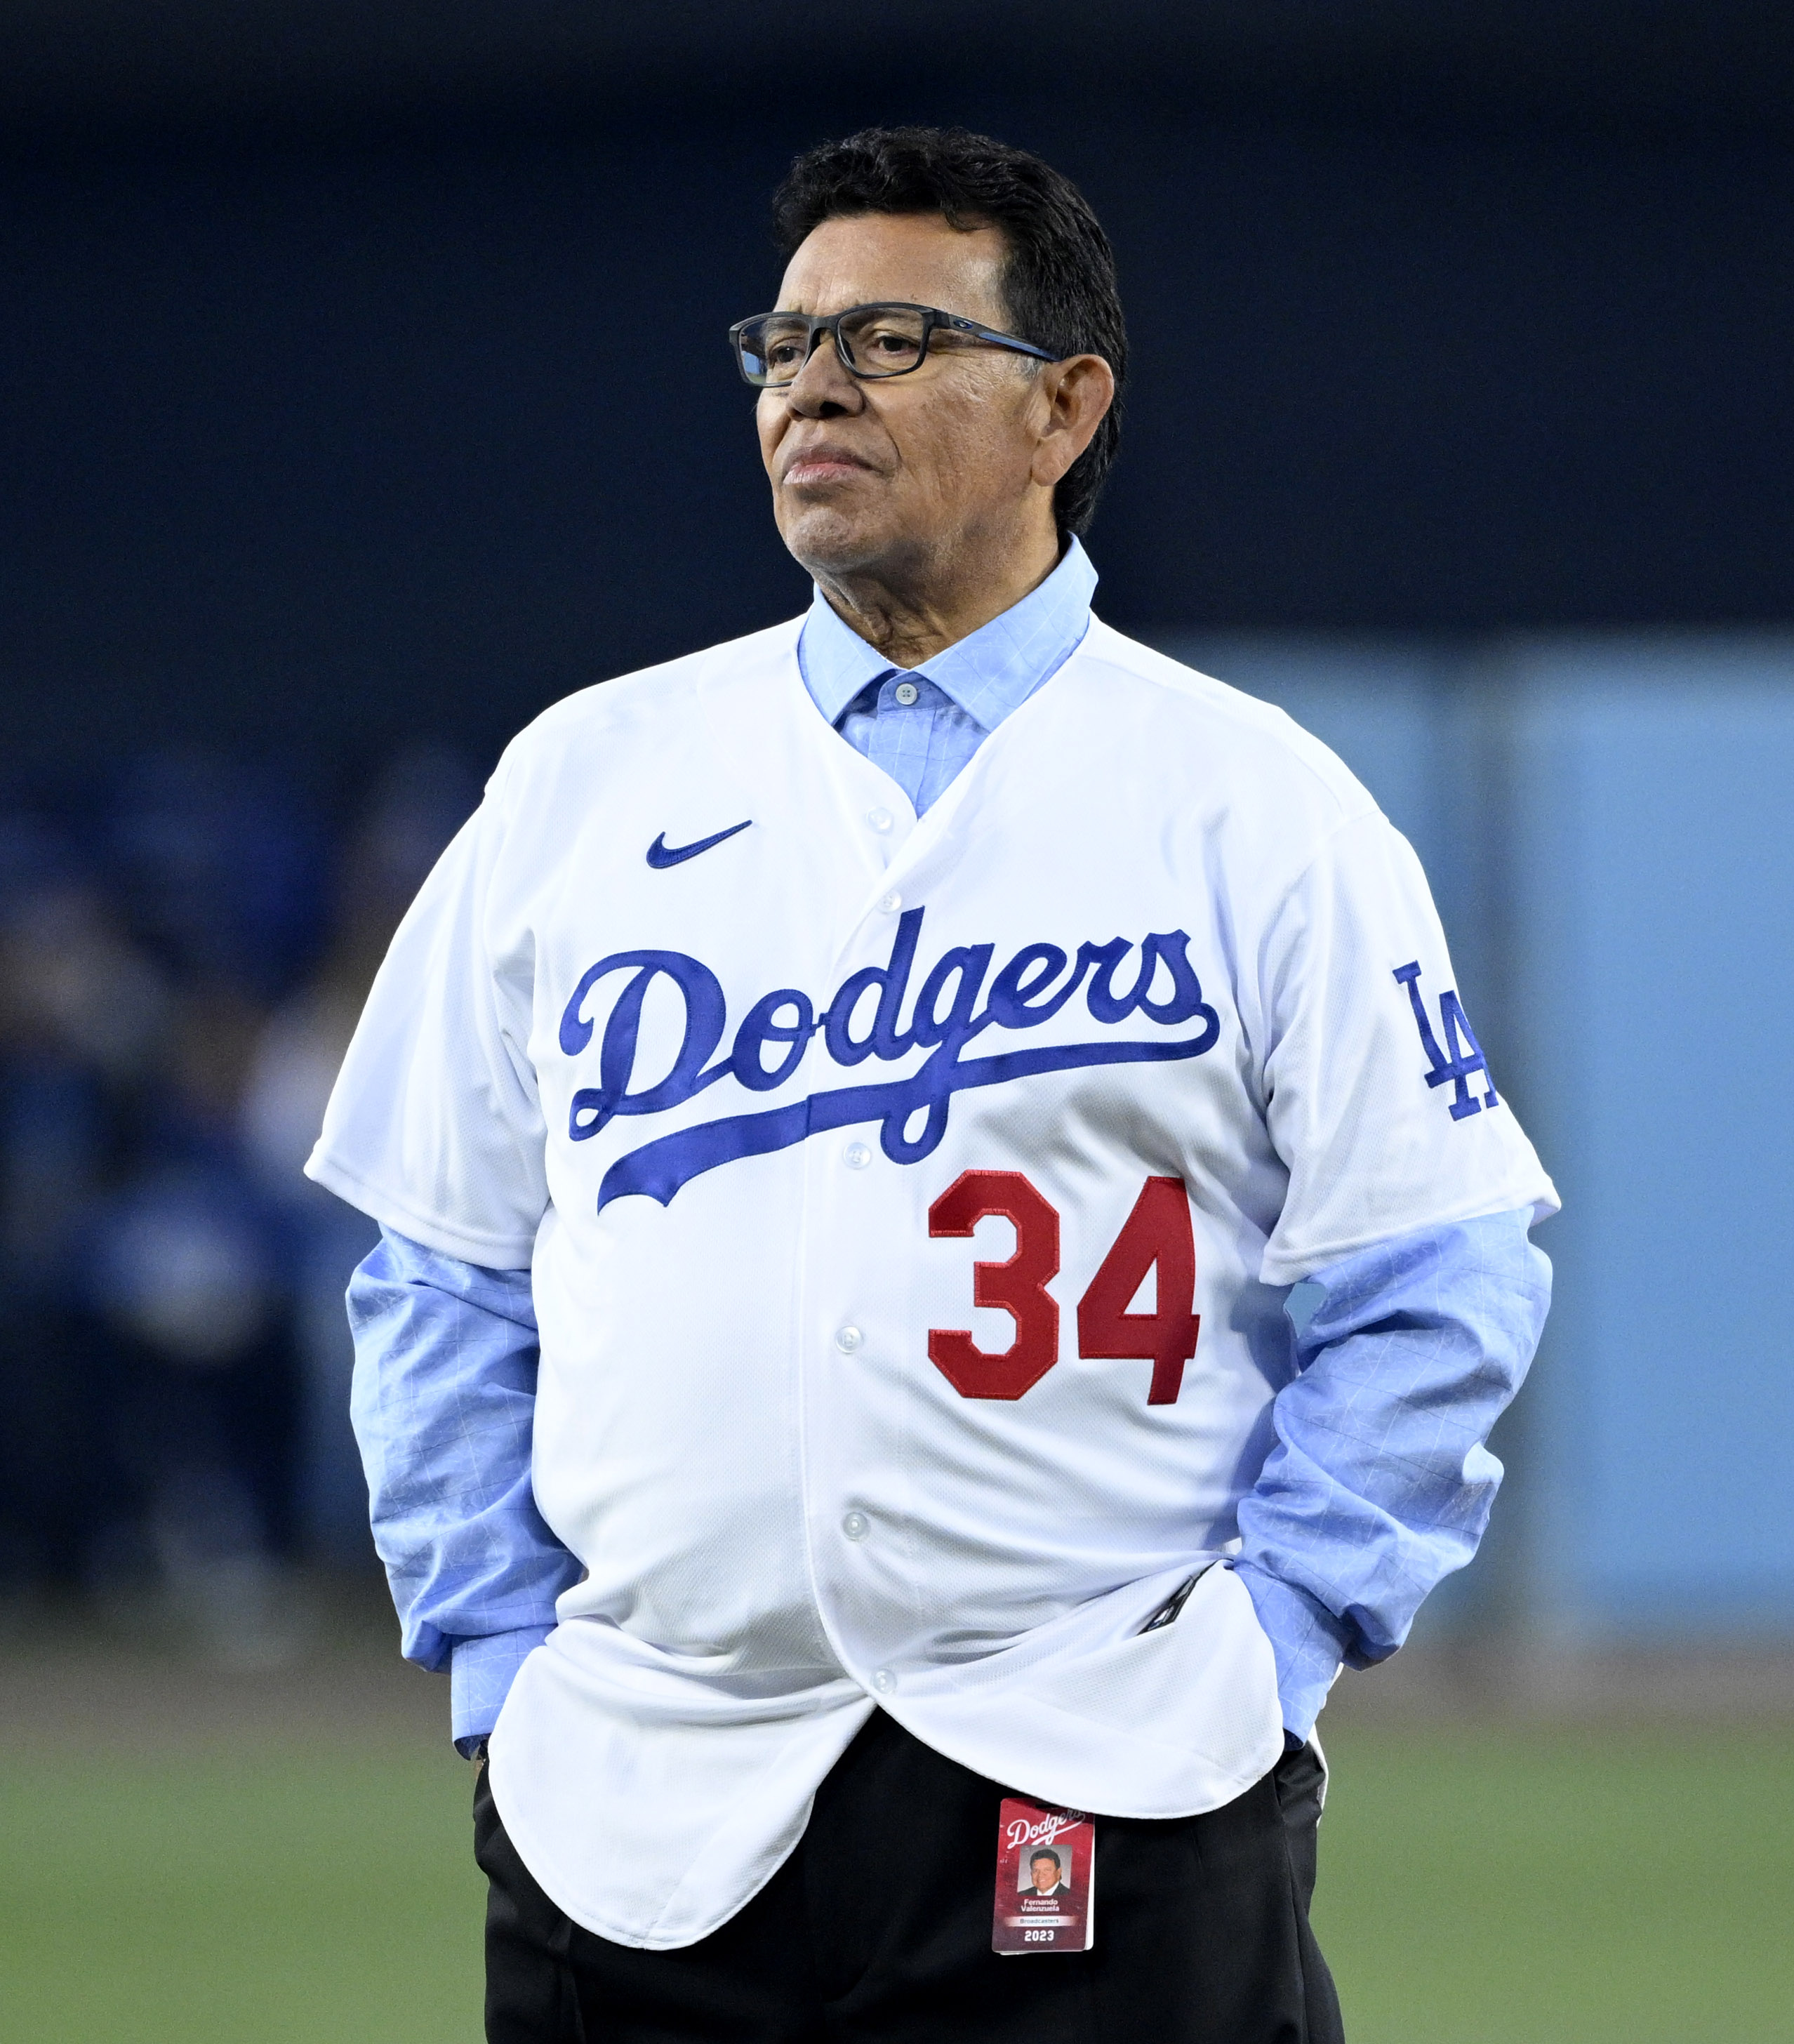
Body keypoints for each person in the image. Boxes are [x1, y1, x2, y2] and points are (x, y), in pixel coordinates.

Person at [310, 125, 1557, 2042]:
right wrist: (499, 1659)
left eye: (891, 339)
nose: (811, 382)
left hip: (1108, 1764)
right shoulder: (588, 776)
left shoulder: (1249, 797)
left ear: (1063, 406)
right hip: (637, 1798)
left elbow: (1440, 1271)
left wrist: (1273, 1640)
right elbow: (440, 1274)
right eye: (784, 340)